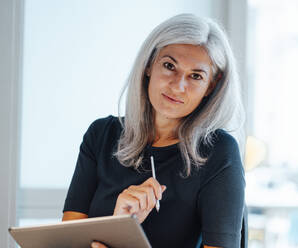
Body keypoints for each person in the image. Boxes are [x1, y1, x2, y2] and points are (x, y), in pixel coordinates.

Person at [62, 13, 246, 248]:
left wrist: (124, 238)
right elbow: (66, 242)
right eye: (169, 66)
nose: (178, 86)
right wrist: (119, 226)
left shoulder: (219, 152)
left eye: (196, 76)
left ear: (211, 85)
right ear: (149, 64)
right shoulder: (101, 135)